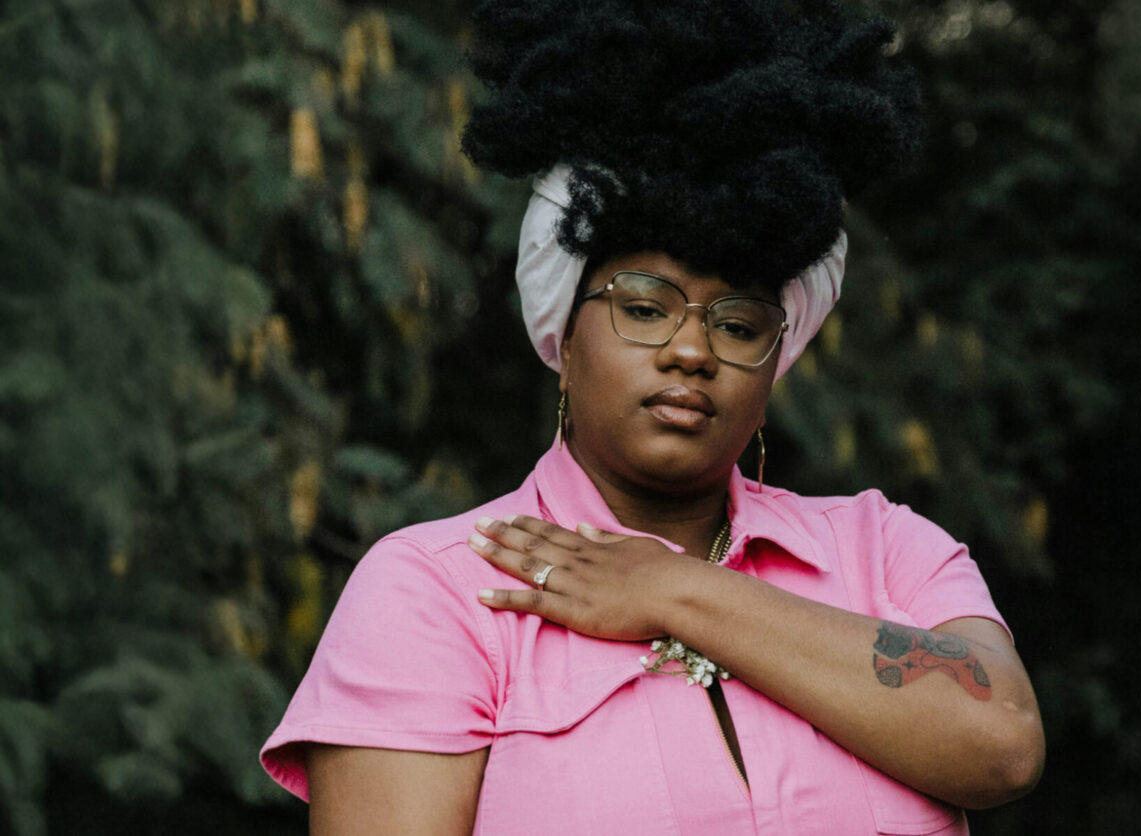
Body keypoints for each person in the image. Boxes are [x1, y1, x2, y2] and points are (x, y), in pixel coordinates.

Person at [260, 2, 1045, 833]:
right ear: (564, 333)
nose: (692, 351)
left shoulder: (885, 550)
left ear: (776, 361)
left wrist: (670, 587)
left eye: (738, 325)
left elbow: (1002, 744)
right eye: (643, 308)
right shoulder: (440, 590)